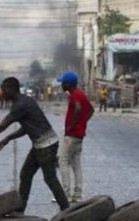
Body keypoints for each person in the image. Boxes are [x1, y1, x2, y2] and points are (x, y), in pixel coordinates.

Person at [0, 77, 69, 214]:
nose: (2, 93)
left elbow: (2, 126)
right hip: (41, 144)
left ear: (11, 89)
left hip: (46, 145)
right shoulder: (25, 101)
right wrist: (8, 138)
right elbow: (28, 127)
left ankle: (66, 209)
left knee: (50, 178)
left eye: (4, 90)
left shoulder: (20, 105)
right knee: (25, 174)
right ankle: (20, 209)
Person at [57, 71, 94, 203]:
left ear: (68, 84)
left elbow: (78, 109)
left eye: (62, 83)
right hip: (79, 135)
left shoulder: (74, 95)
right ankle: (77, 195)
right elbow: (91, 110)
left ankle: (65, 194)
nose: (61, 85)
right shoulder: (81, 94)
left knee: (62, 161)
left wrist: (72, 125)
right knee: (76, 165)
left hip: (72, 135)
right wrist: (83, 123)